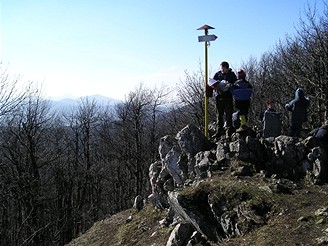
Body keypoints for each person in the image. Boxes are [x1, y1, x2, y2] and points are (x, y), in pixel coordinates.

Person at [209, 61, 237, 138]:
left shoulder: (232, 74)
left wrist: (229, 84)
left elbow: (235, 83)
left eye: (224, 69)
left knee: (229, 114)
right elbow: (212, 83)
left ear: (227, 68)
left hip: (228, 96)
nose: (222, 70)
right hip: (219, 96)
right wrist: (216, 84)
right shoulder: (218, 74)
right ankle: (219, 130)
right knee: (219, 114)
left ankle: (228, 130)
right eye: (221, 69)